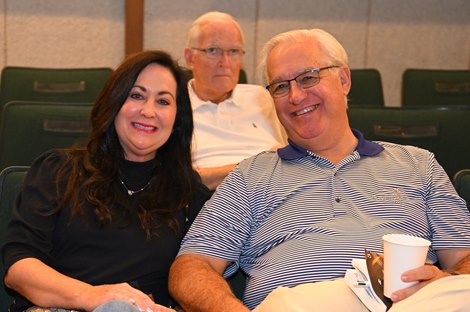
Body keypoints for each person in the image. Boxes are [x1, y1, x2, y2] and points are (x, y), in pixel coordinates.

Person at [168, 28, 470, 311]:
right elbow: (191, 266)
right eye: (281, 86)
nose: (296, 97)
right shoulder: (250, 175)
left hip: (409, 304)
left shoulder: (418, 164)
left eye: (308, 78)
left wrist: (447, 280)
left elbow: (466, 258)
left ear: (344, 80)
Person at [1, 50, 211, 312]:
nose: (148, 111)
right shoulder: (58, 170)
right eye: (137, 96)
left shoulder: (189, 196)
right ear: (114, 103)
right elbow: (18, 269)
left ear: (177, 118)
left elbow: (201, 279)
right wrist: (94, 297)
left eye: (163, 102)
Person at [183, 11, 286, 190]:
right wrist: (257, 166)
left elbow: (297, 156)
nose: (225, 62)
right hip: (210, 202)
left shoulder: (262, 97)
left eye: (234, 51)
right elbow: (177, 180)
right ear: (190, 58)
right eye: (213, 50)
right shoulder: (174, 104)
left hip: (277, 196)